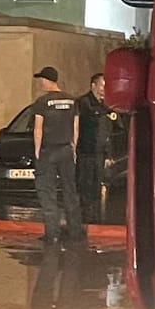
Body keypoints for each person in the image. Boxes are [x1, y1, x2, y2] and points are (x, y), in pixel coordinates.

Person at [29, 67, 84, 246]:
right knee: (70, 190)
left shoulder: (42, 102)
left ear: (48, 80)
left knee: (47, 192)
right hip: (66, 151)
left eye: (41, 80)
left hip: (48, 151)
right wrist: (73, 149)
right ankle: (75, 231)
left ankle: (52, 234)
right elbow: (75, 128)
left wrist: (37, 151)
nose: (40, 83)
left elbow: (38, 129)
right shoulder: (72, 100)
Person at [76, 73, 108, 205]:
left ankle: (95, 215)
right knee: (85, 185)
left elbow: (107, 130)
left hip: (99, 153)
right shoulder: (83, 103)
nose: (104, 89)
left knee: (96, 185)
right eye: (101, 85)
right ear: (93, 85)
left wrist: (107, 153)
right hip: (86, 152)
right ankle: (85, 215)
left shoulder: (105, 105)